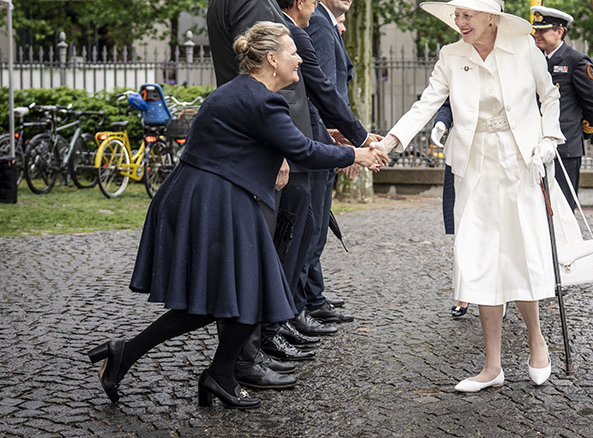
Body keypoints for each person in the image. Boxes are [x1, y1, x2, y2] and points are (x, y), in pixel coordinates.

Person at [86, 22, 387, 409]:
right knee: (254, 290)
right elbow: (300, 151)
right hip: (212, 201)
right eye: (293, 51)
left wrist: (329, 137)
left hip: (210, 197)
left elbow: (279, 139)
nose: (299, 58)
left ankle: (153, 360)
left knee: (221, 299)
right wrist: (357, 154)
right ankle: (210, 373)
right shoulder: (261, 100)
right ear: (272, 60)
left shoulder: (246, 94)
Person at [374, 0, 583, 392]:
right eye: (457, 14)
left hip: (520, 162)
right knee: (480, 256)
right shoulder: (451, 55)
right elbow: (427, 103)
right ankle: (492, 365)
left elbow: (550, 97)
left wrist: (548, 138)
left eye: (468, 14)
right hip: (474, 165)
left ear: (492, 17)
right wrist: (391, 141)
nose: (460, 21)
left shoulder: (524, 48)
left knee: (521, 253)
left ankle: (537, 343)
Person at [205, 0, 312, 388]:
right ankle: (242, 360)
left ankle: (245, 355)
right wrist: (283, 148)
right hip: (257, 149)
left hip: (257, 145)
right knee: (254, 256)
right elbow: (265, 80)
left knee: (260, 251)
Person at [271, 0, 380, 338]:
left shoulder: (319, 23)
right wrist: (356, 138)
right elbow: (321, 89)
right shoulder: (311, 26)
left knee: (310, 227)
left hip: (319, 134)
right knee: (306, 229)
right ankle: (292, 310)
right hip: (310, 139)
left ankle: (300, 305)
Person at [302, 0, 359, 325]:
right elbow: (320, 87)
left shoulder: (329, 24)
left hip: (328, 136)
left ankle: (313, 296)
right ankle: (308, 302)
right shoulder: (320, 24)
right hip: (322, 138)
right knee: (314, 223)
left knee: (319, 221)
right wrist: (338, 141)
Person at [530, 6, 593, 210]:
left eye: (542, 30)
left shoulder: (576, 60)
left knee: (562, 209)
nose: (536, 35)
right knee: (537, 210)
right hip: (535, 145)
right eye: (535, 30)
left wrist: (589, 131)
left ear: (559, 32)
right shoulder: (534, 60)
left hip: (564, 147)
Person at [430, 100, 469, 318]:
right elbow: (448, 104)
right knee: (464, 228)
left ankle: (499, 294)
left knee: (497, 227)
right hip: (462, 151)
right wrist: (442, 123)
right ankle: (463, 292)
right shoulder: (458, 65)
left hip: (498, 152)